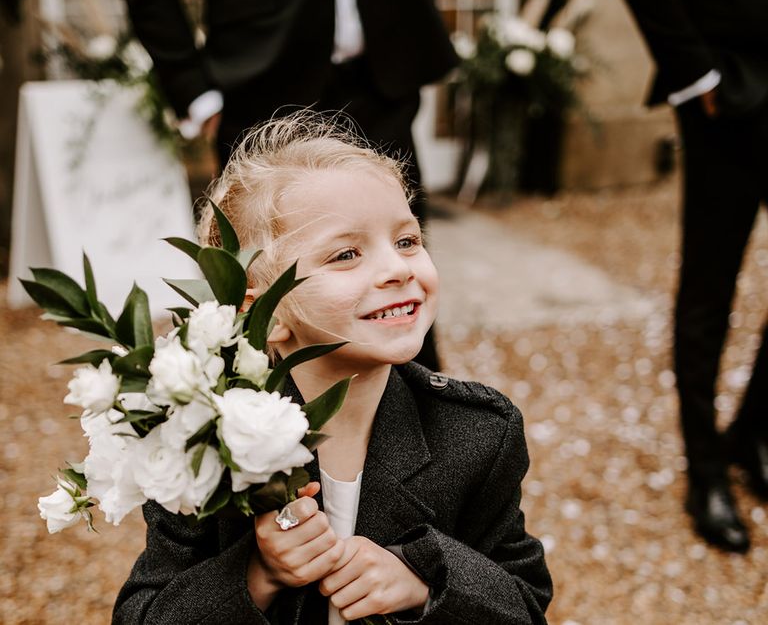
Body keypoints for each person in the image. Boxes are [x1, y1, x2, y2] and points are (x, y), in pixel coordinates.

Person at [112, 113, 552, 624]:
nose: (397, 269)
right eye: (346, 254)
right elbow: (140, 616)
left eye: (407, 240)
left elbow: (524, 602)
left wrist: (425, 580)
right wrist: (259, 575)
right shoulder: (202, 439)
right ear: (264, 315)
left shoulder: (476, 433)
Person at [119, 0, 457, 372]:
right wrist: (192, 91)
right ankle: (269, 416)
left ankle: (420, 407)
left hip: (380, 78)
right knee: (266, 275)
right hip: (262, 84)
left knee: (397, 249)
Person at [616, 0, 768, 553]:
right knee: (710, 290)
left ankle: (752, 432)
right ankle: (705, 472)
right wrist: (700, 79)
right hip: (733, 102)